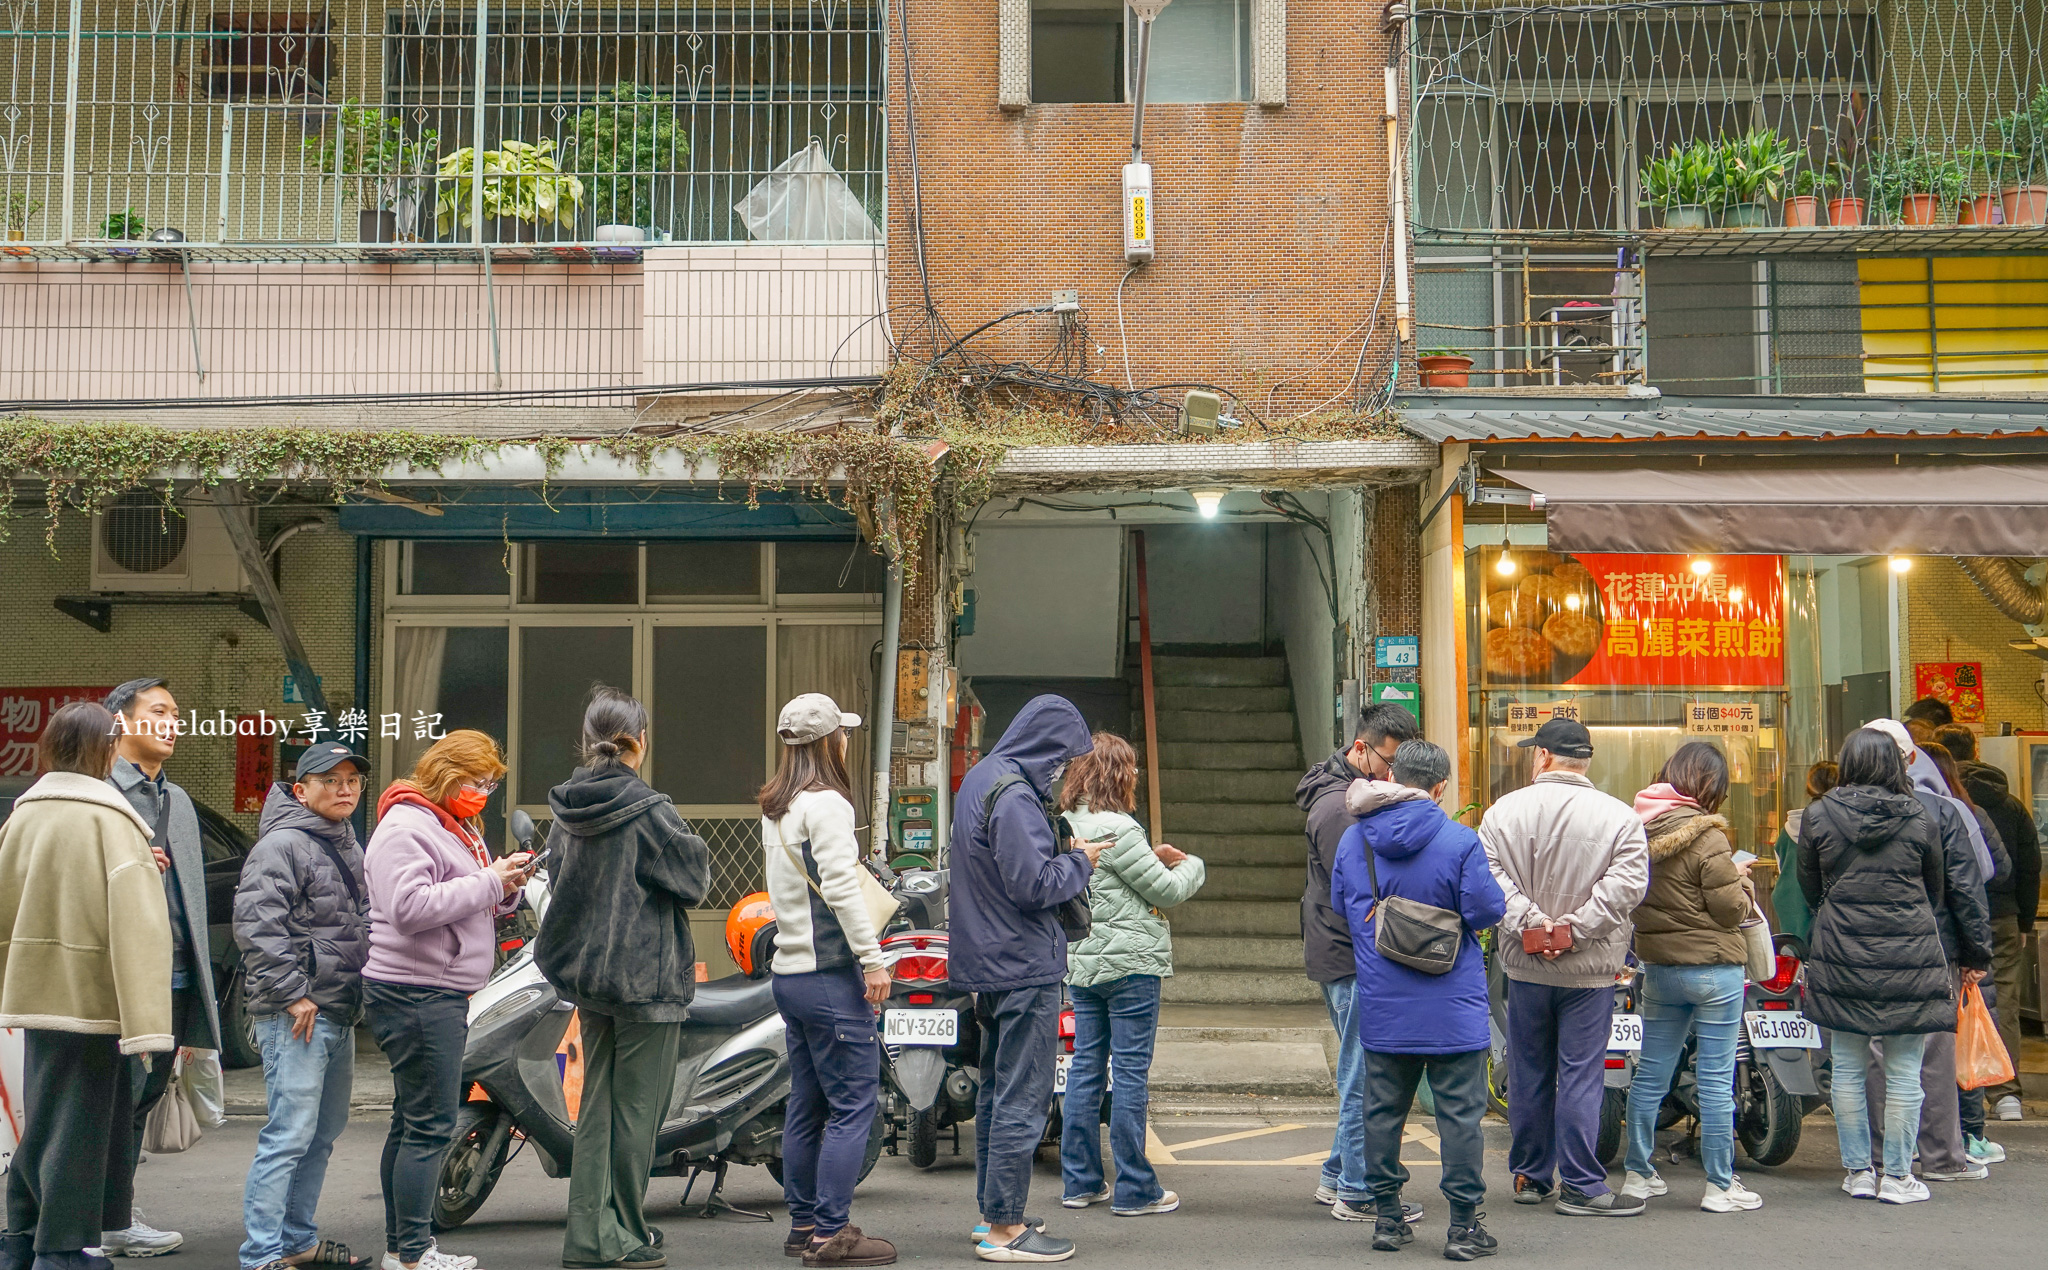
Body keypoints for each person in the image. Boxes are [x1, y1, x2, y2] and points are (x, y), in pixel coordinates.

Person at [536, 688, 710, 1270]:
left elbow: (559, 878)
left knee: (598, 1107)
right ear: (639, 742)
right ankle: (626, 1235)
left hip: (590, 980)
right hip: (647, 982)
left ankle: (590, 1233)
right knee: (639, 1114)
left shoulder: (567, 810)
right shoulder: (648, 809)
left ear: (588, 742)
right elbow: (692, 880)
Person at [0, 702, 174, 1270]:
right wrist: (148, 1024)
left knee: (47, 1115)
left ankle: (24, 1235)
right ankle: (64, 1249)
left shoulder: (26, 814)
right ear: (104, 748)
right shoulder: (109, 818)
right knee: (82, 1129)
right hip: (95, 1001)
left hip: (37, 996)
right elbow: (138, 931)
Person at [364, 731, 533, 1270]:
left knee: (411, 1120)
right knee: (429, 1125)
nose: (483, 792)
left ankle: (402, 1248)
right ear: (444, 772)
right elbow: (409, 907)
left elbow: (459, 895)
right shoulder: (405, 827)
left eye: (489, 784)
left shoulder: (446, 825)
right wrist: (489, 881)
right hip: (417, 991)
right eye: (476, 781)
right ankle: (413, 1254)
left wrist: (504, 884)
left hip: (432, 988)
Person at [1331, 741, 1505, 1262]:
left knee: (1382, 1113)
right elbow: (1485, 910)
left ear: (1393, 776)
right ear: (1439, 788)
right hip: (1453, 1007)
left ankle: (1387, 1220)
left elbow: (1343, 906)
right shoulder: (1460, 841)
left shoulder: (1354, 841)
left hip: (1385, 1004)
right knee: (1459, 1119)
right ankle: (1462, 1227)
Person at [950, 696, 1105, 1264]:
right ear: (1047, 749)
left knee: (996, 1090)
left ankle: (995, 1211)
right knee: (1023, 1095)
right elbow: (1033, 884)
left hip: (990, 962)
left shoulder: (983, 779)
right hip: (1022, 963)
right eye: (1064, 760)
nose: (1065, 773)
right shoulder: (1015, 796)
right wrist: (1081, 860)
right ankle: (1007, 1229)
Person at [1477, 717, 1649, 1216]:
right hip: (1590, 971)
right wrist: (1574, 929)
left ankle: (1531, 1175)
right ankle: (1582, 1184)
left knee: (1529, 1068)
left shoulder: (1502, 812)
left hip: (1526, 965)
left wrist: (1535, 926)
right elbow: (1627, 886)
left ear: (1544, 757)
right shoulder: (1620, 818)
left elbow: (1491, 879)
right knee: (1581, 1073)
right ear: (1586, 760)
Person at [1797, 727, 1975, 1206]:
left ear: (1847, 763)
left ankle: (1858, 1171)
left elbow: (1810, 888)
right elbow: (1935, 888)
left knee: (1849, 1070)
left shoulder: (1818, 815)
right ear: (1897, 765)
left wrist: (1840, 912)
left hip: (1841, 952)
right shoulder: (1921, 816)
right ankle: (1897, 1177)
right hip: (1910, 953)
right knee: (1904, 1072)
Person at [758, 693, 894, 1269]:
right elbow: (839, 887)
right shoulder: (828, 805)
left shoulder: (778, 806)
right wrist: (872, 958)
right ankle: (832, 1236)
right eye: (843, 734)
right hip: (831, 977)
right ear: (828, 742)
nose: (846, 743)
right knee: (853, 1106)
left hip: (790, 976)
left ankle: (803, 1225)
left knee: (807, 1105)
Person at [234, 742, 375, 1270]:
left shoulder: (344, 840)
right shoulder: (283, 845)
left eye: (352, 781)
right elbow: (257, 925)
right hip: (297, 1013)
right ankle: (261, 1254)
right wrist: (293, 993)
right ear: (301, 790)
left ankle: (297, 1241)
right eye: (330, 780)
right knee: (289, 1134)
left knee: (321, 1134)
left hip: (338, 1009)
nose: (344, 789)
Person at [1057, 733, 1206, 1219]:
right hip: (1131, 966)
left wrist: (1151, 857)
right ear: (1115, 773)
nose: (1136, 776)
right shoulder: (1118, 827)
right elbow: (1164, 889)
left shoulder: (1065, 822)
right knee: (1130, 1073)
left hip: (1082, 962)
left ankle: (1080, 1181)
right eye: (1131, 768)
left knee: (1084, 1069)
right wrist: (1192, 866)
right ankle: (1136, 1188)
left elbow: (1119, 876)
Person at [104, 677, 224, 1259]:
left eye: (177, 713)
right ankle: (88, 1219)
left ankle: (114, 1215)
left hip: (177, 978)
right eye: (158, 711)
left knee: (142, 1101)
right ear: (121, 723)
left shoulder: (175, 800)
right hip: (121, 984)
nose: (173, 722)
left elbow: (191, 901)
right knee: (106, 1103)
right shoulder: (100, 796)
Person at [1619, 743, 1762, 1213]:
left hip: (1660, 970)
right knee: (1717, 1079)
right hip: (1715, 971)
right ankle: (1720, 1186)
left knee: (1651, 1074)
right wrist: (1740, 880)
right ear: (1710, 786)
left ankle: (1639, 1175)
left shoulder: (1635, 832)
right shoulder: (1709, 837)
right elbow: (1728, 911)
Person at [1294, 702, 1421, 1219]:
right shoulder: (1340, 808)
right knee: (1362, 1074)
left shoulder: (1347, 793)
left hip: (1339, 948)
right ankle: (1357, 1191)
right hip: (1350, 953)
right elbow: (1358, 894)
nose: (1394, 775)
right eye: (1388, 762)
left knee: (1360, 1067)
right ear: (1361, 748)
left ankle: (1335, 1175)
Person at [1862, 721, 1996, 1184]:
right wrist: (1977, 954)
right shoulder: (1938, 810)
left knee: (1876, 1052)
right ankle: (1941, 1156)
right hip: (1932, 945)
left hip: (1861, 949)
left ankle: (1880, 1157)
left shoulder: (1835, 810)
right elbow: (1966, 886)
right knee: (1934, 1051)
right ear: (1910, 757)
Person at [1937, 724, 2040, 1124]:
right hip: (2003, 916)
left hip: (1955, 918)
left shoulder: (1941, 802)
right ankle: (2005, 1093)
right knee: (2004, 1002)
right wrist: (2025, 917)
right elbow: (2029, 865)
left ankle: (1959, 1090)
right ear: (1975, 749)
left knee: (1951, 1001)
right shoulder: (2010, 803)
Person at [1920, 743, 2009, 1167]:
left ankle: (1926, 1141)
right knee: (1961, 1040)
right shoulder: (1962, 812)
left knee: (1927, 1047)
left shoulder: (1919, 813)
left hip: (1933, 943)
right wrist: (1979, 952)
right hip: (1960, 942)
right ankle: (1971, 1134)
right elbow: (1998, 868)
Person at [1767, 761, 1835, 944]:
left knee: (1794, 960)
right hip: (1818, 908)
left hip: (1788, 900)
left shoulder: (1790, 826)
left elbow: (1781, 865)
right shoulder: (1835, 826)